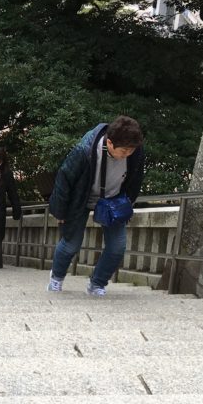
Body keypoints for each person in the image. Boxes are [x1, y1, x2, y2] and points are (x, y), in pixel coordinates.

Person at [48, 116, 145, 297]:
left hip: (113, 200)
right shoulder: (84, 151)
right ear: (109, 142)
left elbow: (136, 179)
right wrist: (60, 211)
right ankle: (56, 278)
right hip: (80, 199)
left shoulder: (136, 152)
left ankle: (97, 284)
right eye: (124, 151)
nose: (127, 155)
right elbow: (64, 179)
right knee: (71, 244)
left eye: (131, 151)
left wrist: (128, 203)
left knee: (117, 247)